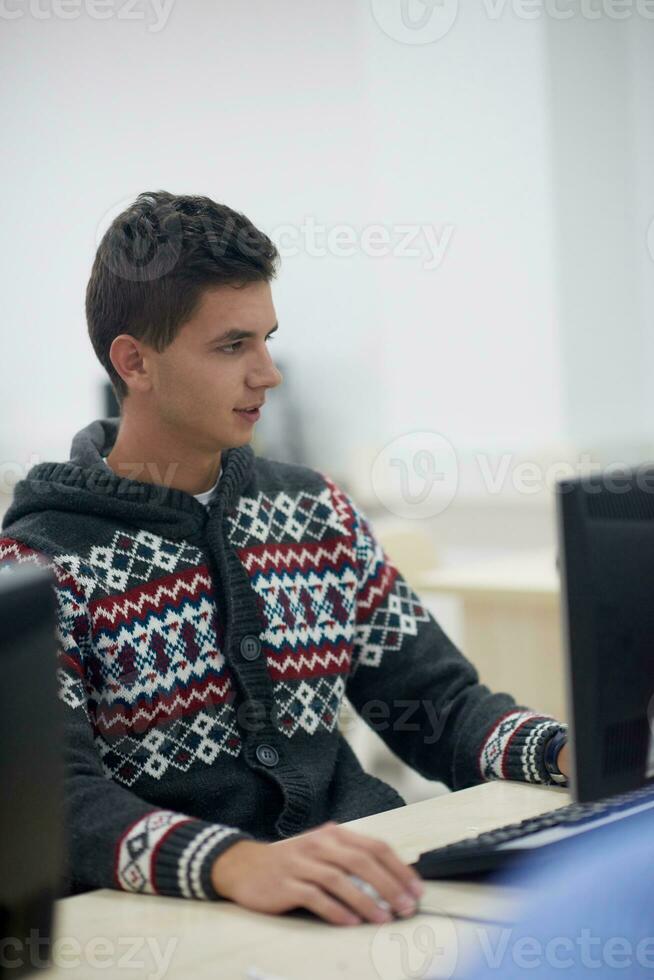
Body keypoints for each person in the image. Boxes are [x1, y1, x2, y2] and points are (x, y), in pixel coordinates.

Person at [0, 191, 569, 928]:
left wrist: (565, 752)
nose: (268, 373)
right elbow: (54, 803)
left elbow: (439, 708)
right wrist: (235, 862)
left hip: (358, 890)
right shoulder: (38, 558)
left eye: (267, 338)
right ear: (134, 361)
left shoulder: (313, 510)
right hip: (186, 924)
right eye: (233, 346)